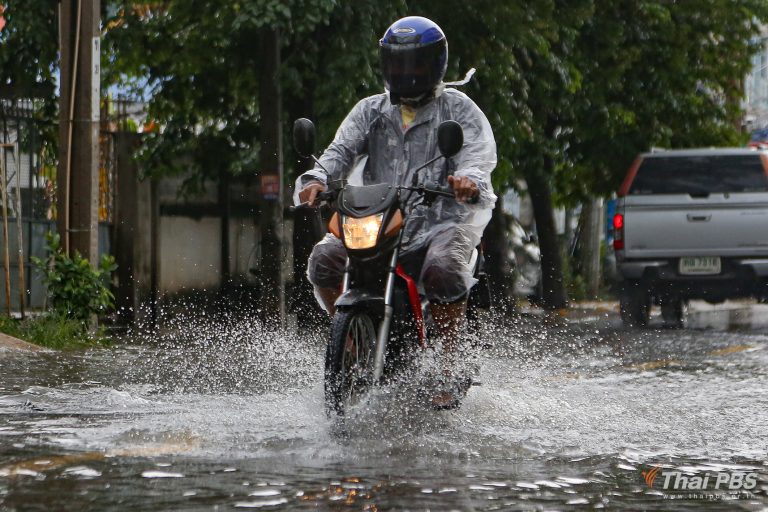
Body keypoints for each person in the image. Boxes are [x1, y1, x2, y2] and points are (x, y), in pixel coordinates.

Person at [293, 16, 497, 406]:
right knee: (324, 260)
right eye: (397, 63)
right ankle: (347, 338)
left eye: (415, 63)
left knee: (443, 269)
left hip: (443, 220)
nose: (405, 72)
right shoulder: (370, 111)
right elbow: (337, 154)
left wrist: (467, 180)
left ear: (435, 63)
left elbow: (477, 157)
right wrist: (315, 181)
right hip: (379, 218)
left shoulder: (460, 111)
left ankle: (449, 364)